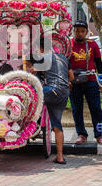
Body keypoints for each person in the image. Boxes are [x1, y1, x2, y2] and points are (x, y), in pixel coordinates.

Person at [28, 36, 73, 164]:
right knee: (57, 125)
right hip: (64, 93)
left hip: (51, 90)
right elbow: (71, 77)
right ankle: (60, 156)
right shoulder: (64, 58)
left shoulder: (45, 57)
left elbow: (31, 72)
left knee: (30, 94)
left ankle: (30, 126)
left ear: (41, 49)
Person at [69, 20, 102, 145]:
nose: (79, 33)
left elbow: (99, 64)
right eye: (77, 30)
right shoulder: (69, 44)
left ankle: (99, 135)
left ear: (86, 32)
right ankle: (81, 134)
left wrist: (101, 81)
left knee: (96, 109)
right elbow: (64, 64)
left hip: (91, 81)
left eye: (82, 31)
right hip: (74, 82)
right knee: (76, 109)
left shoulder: (93, 44)